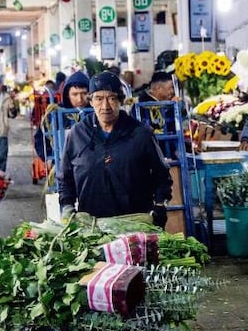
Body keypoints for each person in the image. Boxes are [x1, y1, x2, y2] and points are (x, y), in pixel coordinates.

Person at [57, 72, 172, 227]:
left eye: (111, 98)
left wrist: (160, 205)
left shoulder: (141, 134)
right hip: (91, 226)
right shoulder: (77, 134)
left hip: (135, 224)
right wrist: (67, 206)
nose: (105, 106)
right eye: (99, 99)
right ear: (91, 101)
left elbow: (162, 175)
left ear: (121, 100)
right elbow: (65, 178)